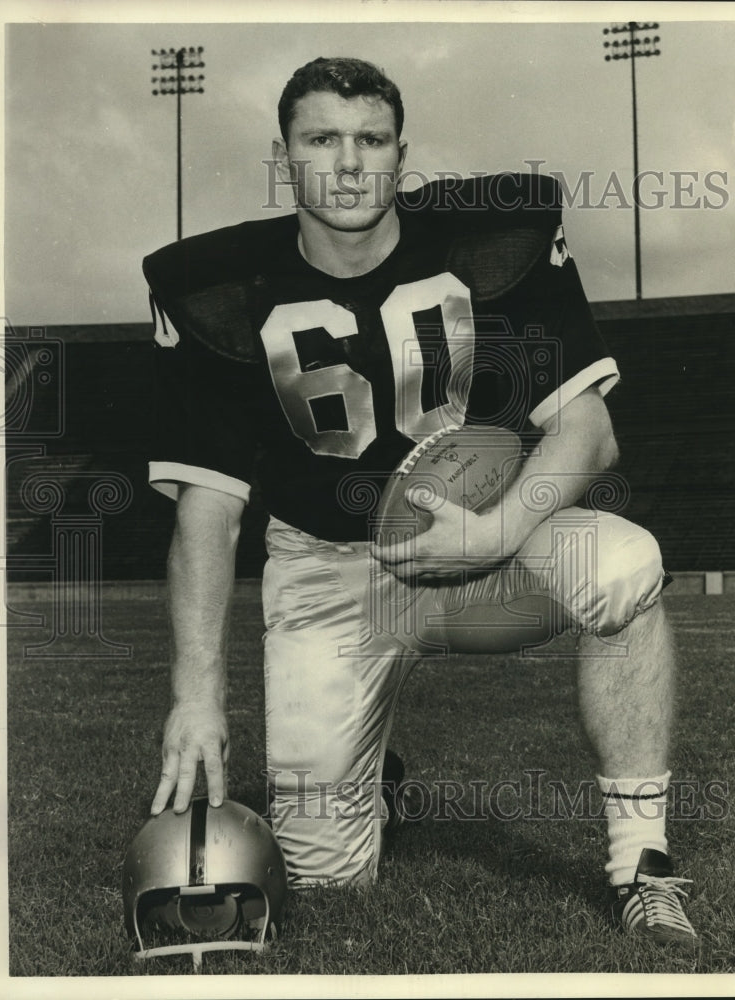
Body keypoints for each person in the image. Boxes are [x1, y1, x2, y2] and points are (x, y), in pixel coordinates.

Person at [143, 56, 697, 945]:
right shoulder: (215, 289)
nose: (349, 162)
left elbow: (588, 432)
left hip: (488, 544)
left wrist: (492, 533)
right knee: (327, 879)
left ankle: (642, 862)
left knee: (625, 565)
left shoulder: (495, 238)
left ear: (403, 154)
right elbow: (207, 510)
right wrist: (196, 694)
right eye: (322, 138)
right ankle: (377, 777)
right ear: (282, 154)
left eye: (371, 140)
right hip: (327, 572)